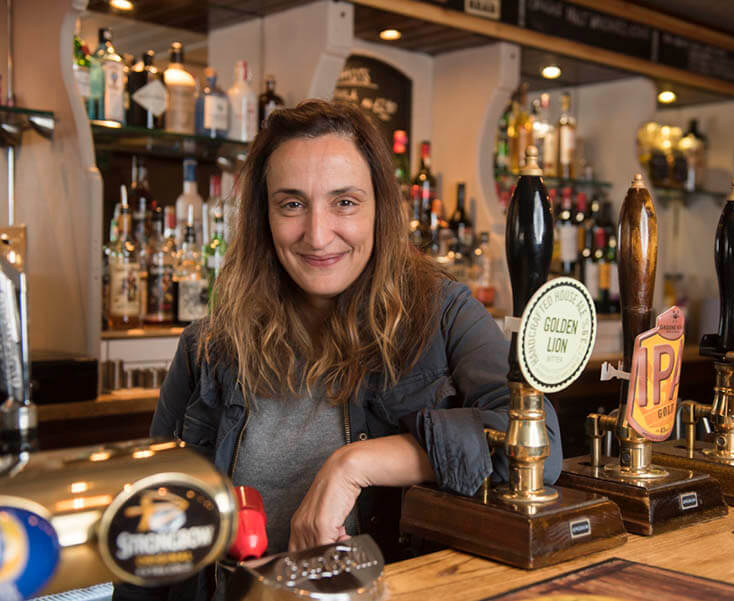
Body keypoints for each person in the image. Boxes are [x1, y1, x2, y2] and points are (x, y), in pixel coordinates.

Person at [113, 100, 562, 601]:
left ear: (380, 209)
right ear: (264, 216)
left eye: (344, 202)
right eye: (292, 204)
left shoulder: (441, 313)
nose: (318, 234)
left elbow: (540, 443)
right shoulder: (211, 347)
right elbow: (151, 542)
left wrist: (354, 466)